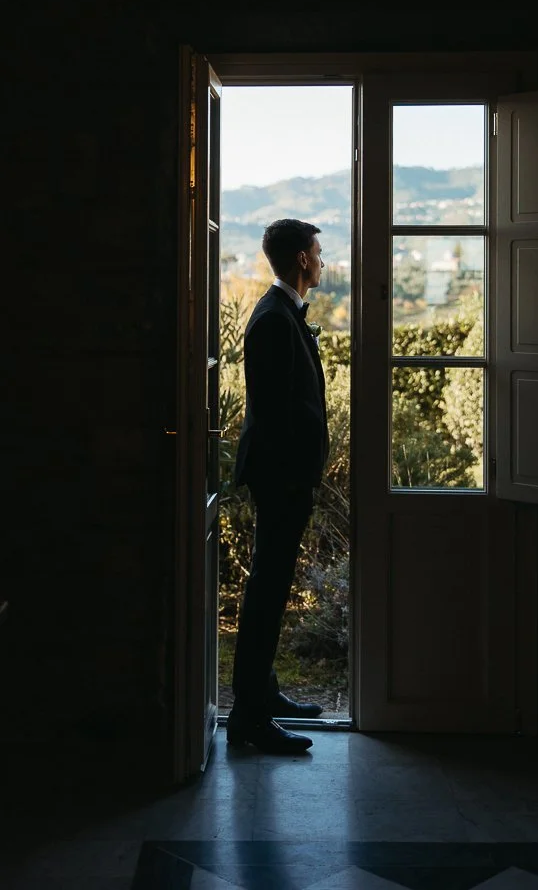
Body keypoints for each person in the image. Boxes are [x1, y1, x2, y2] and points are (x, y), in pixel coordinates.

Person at [227, 219, 329, 754]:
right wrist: (295, 480)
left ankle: (263, 695)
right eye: (317, 251)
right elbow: (272, 416)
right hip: (281, 481)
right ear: (300, 259)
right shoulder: (272, 320)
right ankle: (248, 718)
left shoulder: (282, 313)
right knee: (266, 594)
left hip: (287, 479)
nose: (322, 258)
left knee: (270, 589)